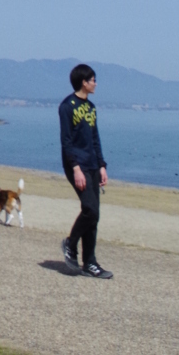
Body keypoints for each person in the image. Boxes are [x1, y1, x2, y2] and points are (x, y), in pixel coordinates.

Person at [59, 64, 112, 278]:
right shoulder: (67, 106)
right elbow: (66, 141)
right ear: (84, 82)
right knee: (90, 210)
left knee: (94, 215)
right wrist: (76, 168)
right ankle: (70, 244)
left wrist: (102, 166)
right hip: (76, 166)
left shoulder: (91, 107)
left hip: (92, 165)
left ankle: (90, 263)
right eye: (93, 80)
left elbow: (95, 138)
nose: (95, 84)